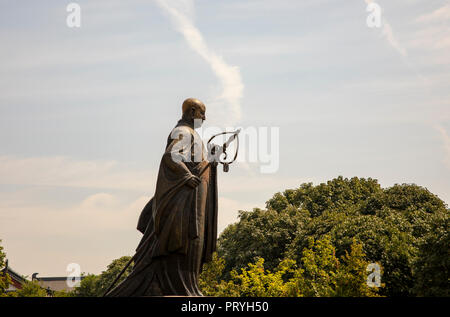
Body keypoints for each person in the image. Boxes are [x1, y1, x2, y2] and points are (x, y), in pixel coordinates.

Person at [105, 98, 218, 296]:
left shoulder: (193, 135)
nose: (205, 118)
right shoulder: (183, 132)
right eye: (202, 113)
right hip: (183, 207)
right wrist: (185, 176)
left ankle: (187, 289)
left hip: (193, 204)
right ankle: (177, 289)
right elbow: (170, 156)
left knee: (191, 250)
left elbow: (199, 166)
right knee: (180, 249)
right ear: (192, 112)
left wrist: (212, 161)